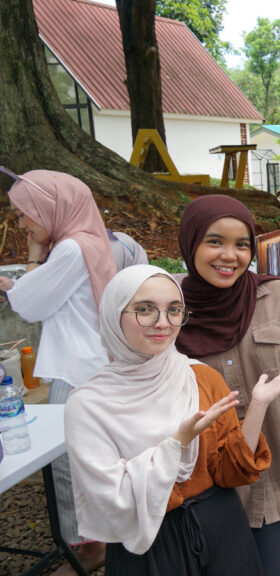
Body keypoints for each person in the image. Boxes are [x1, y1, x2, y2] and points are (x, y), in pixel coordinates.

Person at [65, 265, 280, 574]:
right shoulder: (88, 404)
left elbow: (229, 473)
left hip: (223, 529)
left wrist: (258, 406)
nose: (163, 323)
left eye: (174, 310)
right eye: (145, 309)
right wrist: (177, 443)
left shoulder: (199, 378)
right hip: (148, 547)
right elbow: (109, 501)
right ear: (113, 314)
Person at [174, 195, 280, 576]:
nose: (229, 256)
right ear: (189, 243)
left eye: (242, 244)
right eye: (214, 241)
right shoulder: (170, 311)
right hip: (210, 481)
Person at [0, 169, 116, 574]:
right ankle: (98, 542)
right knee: (85, 459)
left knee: (67, 462)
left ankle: (88, 548)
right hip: (94, 363)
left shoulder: (69, 249)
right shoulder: (90, 239)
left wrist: (32, 255)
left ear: (50, 208)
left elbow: (31, 305)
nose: (22, 225)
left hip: (78, 368)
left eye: (24, 214)